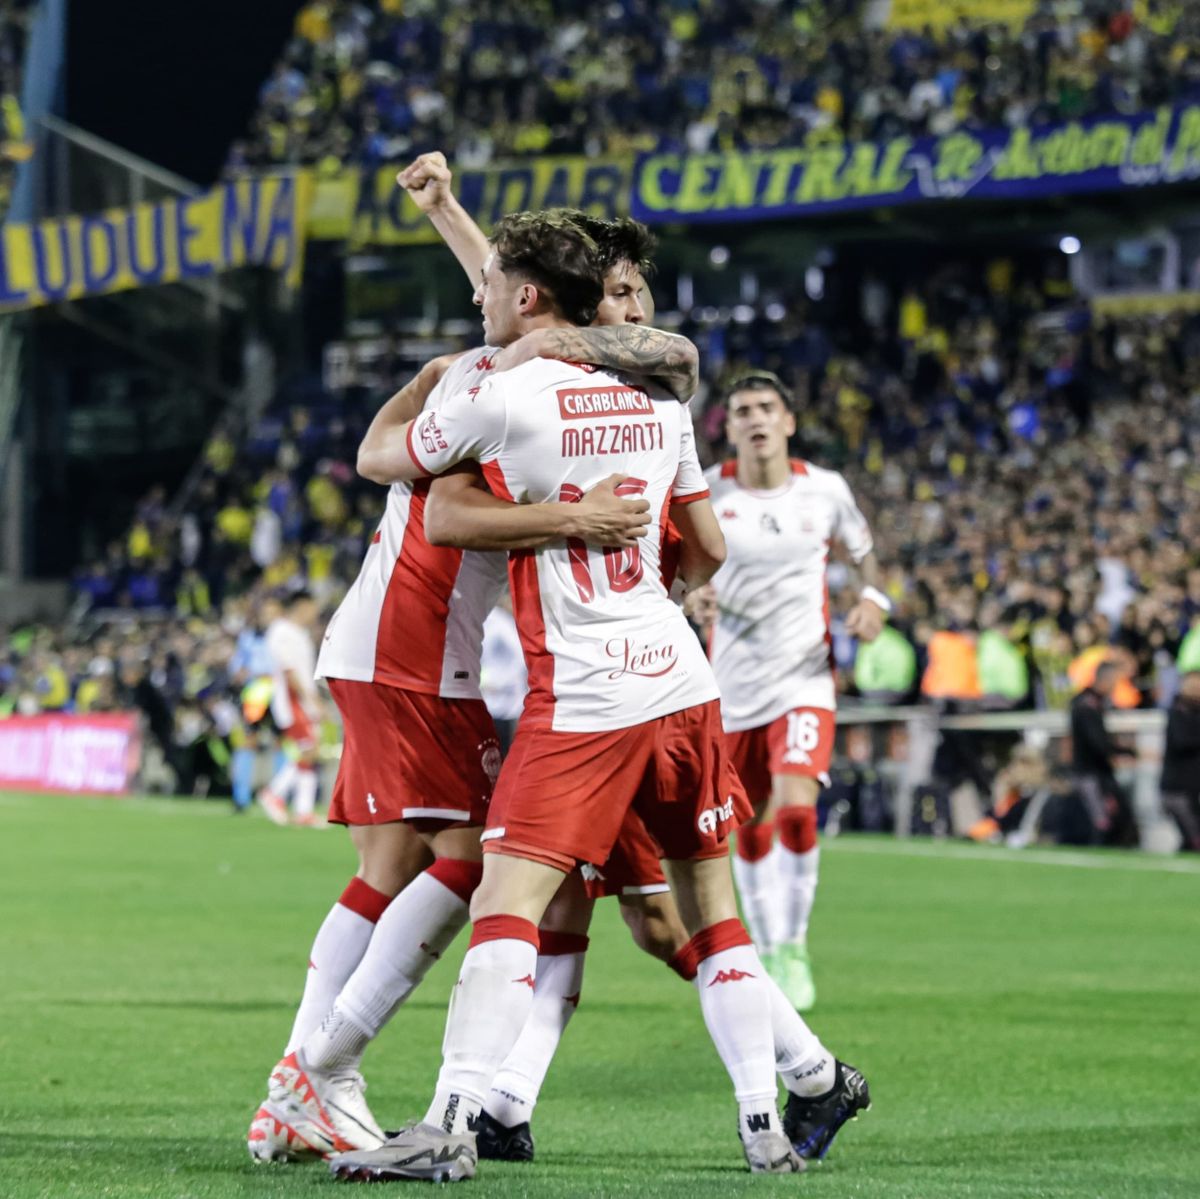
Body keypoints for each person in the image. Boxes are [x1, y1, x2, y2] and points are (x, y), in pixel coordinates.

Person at [325, 210, 866, 1181]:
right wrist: (632, 546)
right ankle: (761, 1114)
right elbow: (704, 546)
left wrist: (541, 504)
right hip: (681, 685)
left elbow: (413, 483)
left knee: (513, 901)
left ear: (530, 296)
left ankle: (445, 1112)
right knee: (696, 911)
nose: (479, 296)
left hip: (580, 702)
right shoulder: (662, 405)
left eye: (493, 282)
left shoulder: (499, 395)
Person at [685, 370, 887, 1012]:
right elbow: (674, 566)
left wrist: (874, 600)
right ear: (731, 426)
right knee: (746, 829)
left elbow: (865, 554)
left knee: (797, 812)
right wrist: (691, 592)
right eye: (742, 410)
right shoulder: (709, 491)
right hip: (733, 686)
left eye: (767, 407)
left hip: (805, 677)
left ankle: (794, 944)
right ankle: (769, 944)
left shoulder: (824, 491)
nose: (755, 418)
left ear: (788, 421)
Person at [256, 592, 324, 827]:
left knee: (311, 752)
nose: (314, 614)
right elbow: (288, 670)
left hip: (303, 700)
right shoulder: (281, 631)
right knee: (309, 750)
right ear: (302, 606)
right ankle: (274, 793)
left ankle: (303, 810)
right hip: (293, 701)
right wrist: (310, 699)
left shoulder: (299, 633)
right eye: (312, 609)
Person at [1069, 661, 1137, 846]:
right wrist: (1123, 752)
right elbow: (1097, 742)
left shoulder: (1090, 702)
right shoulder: (1087, 705)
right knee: (1102, 821)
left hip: (1094, 771)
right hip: (1091, 772)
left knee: (1112, 817)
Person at [1160, 671, 1200, 852]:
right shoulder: (1178, 712)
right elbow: (1182, 741)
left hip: (1191, 787)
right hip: (1178, 788)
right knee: (1193, 836)